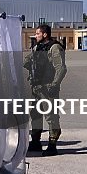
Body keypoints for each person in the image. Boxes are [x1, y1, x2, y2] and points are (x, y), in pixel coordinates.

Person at [23, 24, 67, 156]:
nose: (35, 36)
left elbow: (61, 68)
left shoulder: (54, 48)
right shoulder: (37, 47)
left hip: (48, 87)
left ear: (45, 34)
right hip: (37, 87)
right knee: (35, 114)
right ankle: (35, 141)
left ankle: (52, 144)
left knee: (51, 116)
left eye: (37, 34)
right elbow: (28, 60)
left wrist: (54, 85)